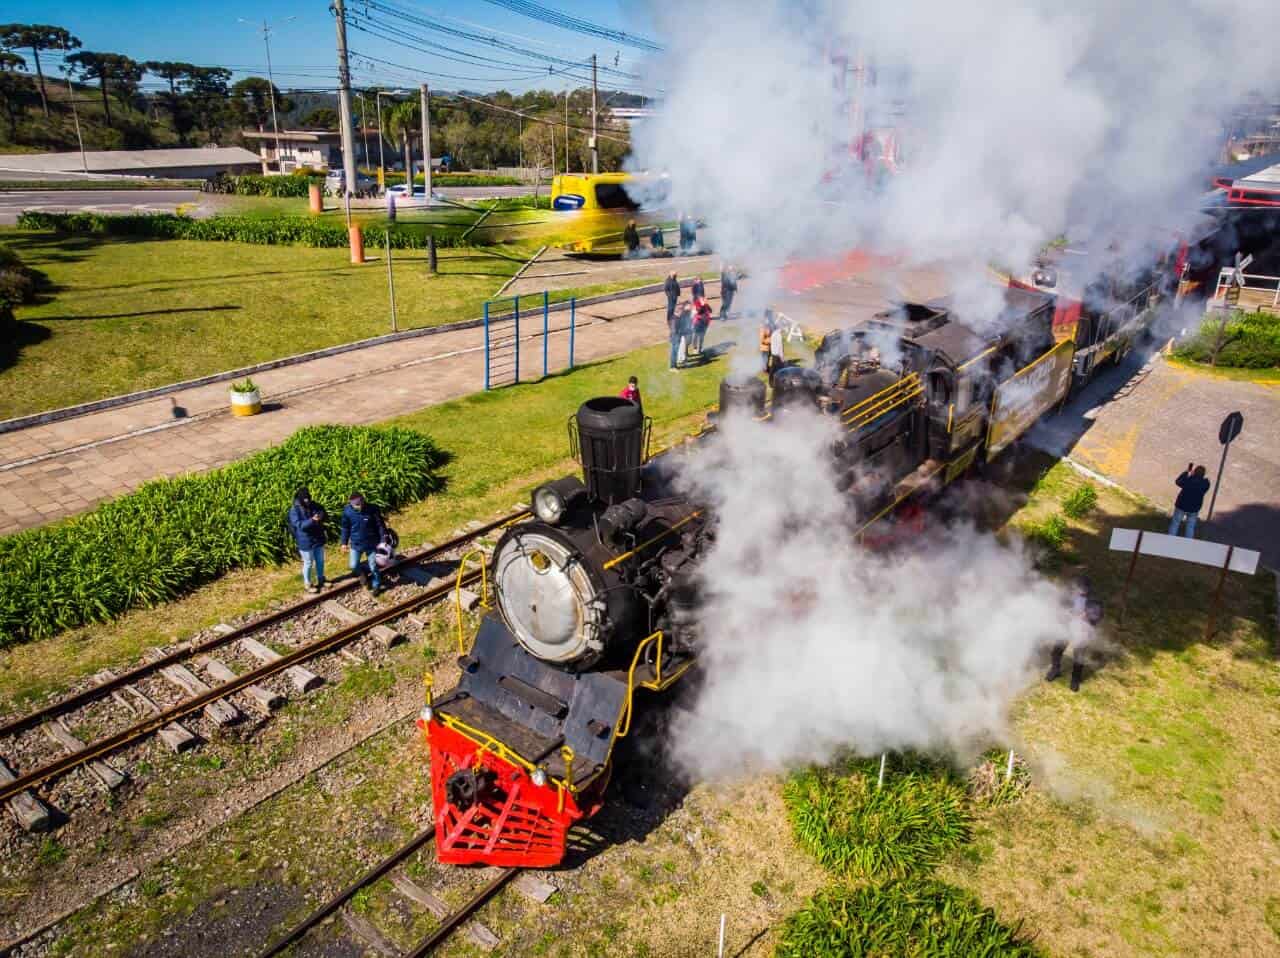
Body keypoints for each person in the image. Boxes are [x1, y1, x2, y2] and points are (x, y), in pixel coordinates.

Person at [1047, 575, 1104, 692]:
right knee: (1057, 650)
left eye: (1083, 588)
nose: (1080, 590)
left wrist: (1086, 616)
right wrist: (1065, 613)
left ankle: (1075, 680)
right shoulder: (1070, 596)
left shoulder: (1094, 600)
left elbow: (1097, 617)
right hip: (1067, 626)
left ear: (1088, 589)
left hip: (1082, 630)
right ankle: (1055, 670)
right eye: (1079, 587)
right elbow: (1061, 606)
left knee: (1079, 657)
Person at [340, 492, 388, 593]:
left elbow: (380, 525)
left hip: (372, 543)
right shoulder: (347, 512)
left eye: (362, 502)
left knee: (373, 566)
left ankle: (376, 585)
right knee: (353, 565)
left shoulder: (372, 509)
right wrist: (344, 543)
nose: (360, 506)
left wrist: (383, 539)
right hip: (356, 544)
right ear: (351, 504)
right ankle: (362, 574)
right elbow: (345, 528)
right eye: (357, 504)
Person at [287, 487, 327, 593]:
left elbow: (322, 511)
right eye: (305, 500)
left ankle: (321, 579)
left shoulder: (314, 504)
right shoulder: (294, 510)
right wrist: (312, 520)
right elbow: (299, 525)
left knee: (320, 560)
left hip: (318, 538)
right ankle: (307, 584)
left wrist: (321, 516)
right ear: (300, 499)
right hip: (305, 541)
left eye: (308, 499)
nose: (307, 501)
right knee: (308, 562)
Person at [1169, 463, 1211, 538]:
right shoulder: (1206, 483)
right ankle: (1188, 543)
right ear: (1203, 474)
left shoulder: (1188, 480)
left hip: (1181, 506)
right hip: (1194, 508)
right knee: (1190, 527)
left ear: (1194, 471)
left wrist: (1186, 472)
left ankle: (1170, 540)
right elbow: (1203, 482)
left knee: (1175, 524)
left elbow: (1178, 481)